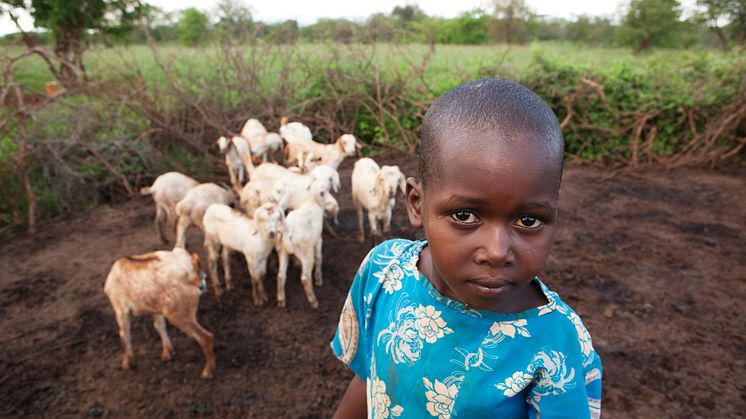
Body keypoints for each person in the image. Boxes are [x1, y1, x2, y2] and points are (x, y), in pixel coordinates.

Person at [330, 78, 602, 418]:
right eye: (464, 215)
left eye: (528, 221)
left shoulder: (557, 344)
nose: (497, 251)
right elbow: (369, 380)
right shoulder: (383, 271)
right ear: (416, 204)